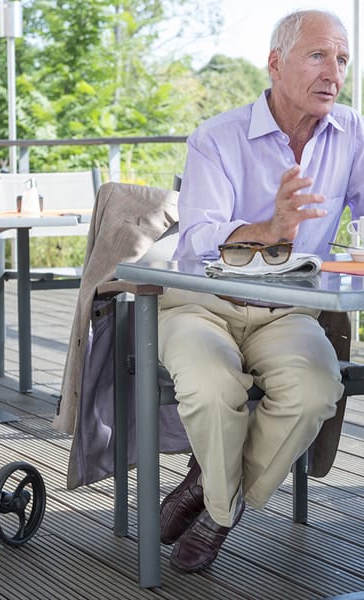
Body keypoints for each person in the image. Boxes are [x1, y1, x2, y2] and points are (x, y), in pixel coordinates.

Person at [158, 9, 364, 573]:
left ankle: (212, 499)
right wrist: (267, 232)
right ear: (276, 63)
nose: (334, 72)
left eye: (342, 59)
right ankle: (224, 514)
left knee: (318, 387)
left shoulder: (352, 131)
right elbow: (197, 240)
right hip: (203, 304)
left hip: (288, 311)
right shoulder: (216, 138)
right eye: (319, 55)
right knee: (210, 384)